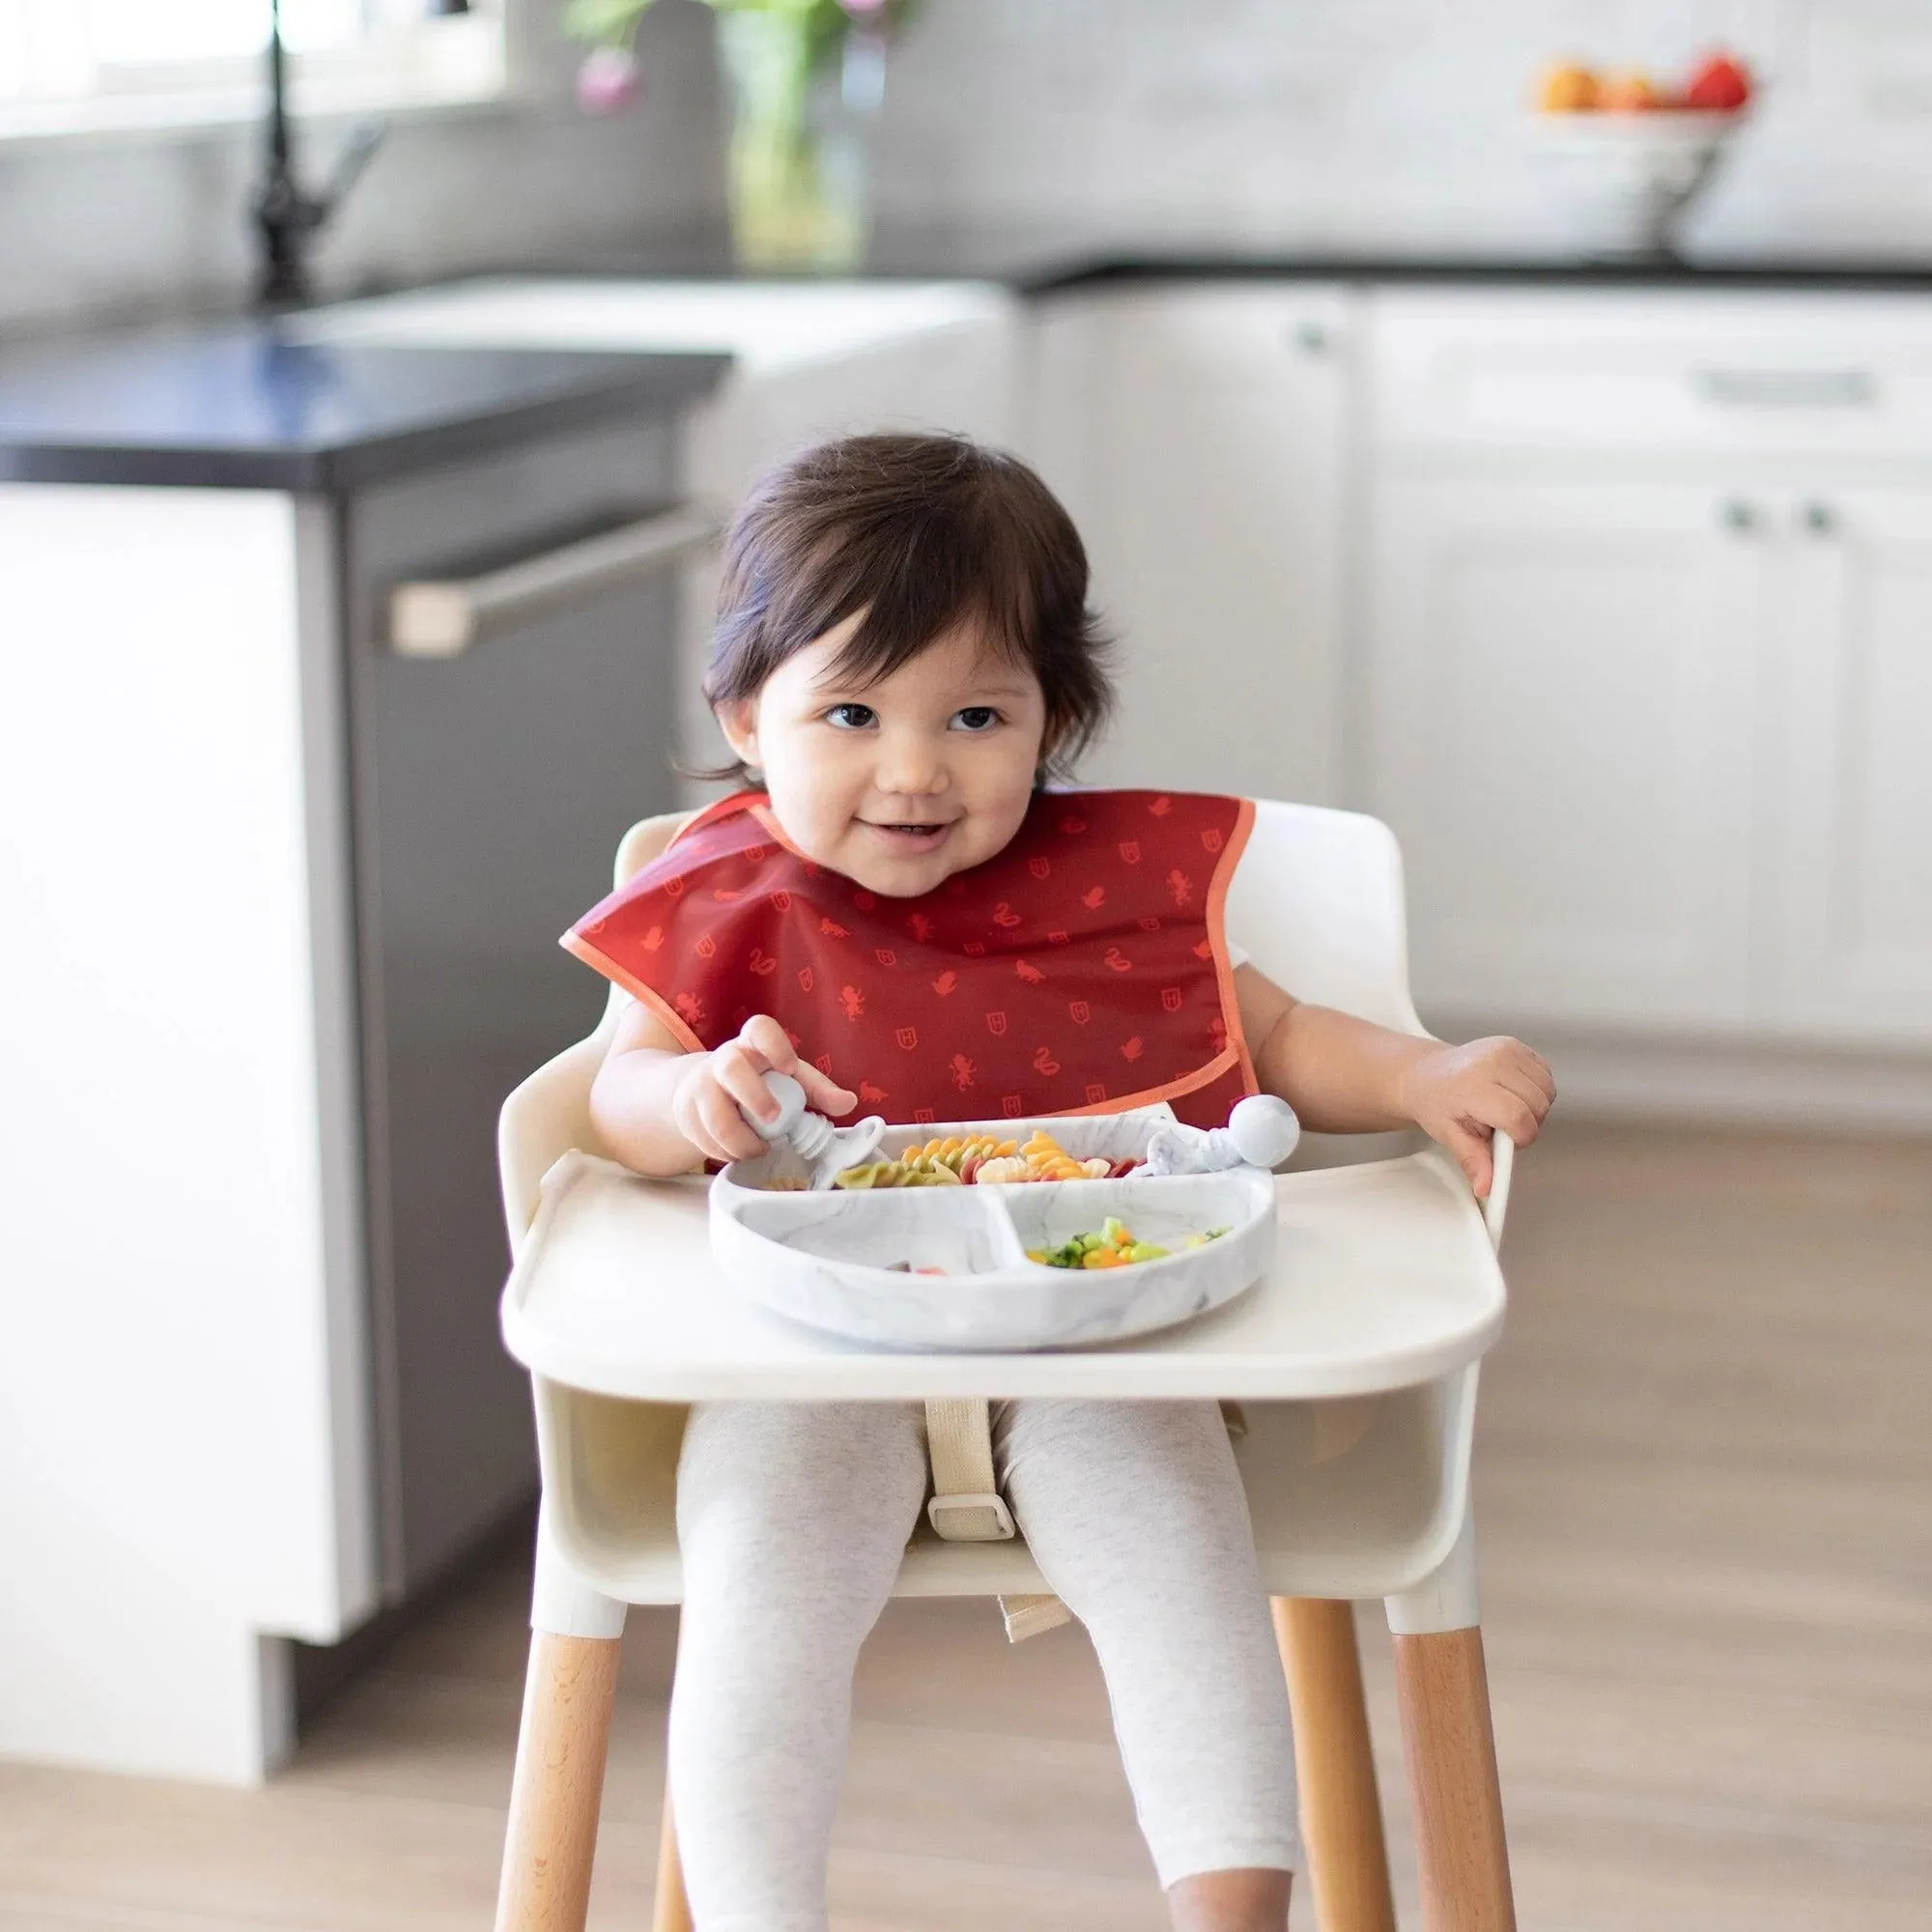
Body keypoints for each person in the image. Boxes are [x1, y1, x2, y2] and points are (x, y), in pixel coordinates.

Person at [565, 433, 1555, 1932]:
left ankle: (1232, 1911)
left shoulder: (1100, 888)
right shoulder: (722, 893)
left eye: (976, 714)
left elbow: (1273, 1036)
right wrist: (689, 1097)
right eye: (851, 711)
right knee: (761, 1579)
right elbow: (612, 1094)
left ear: (1055, 718)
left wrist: (1419, 1077)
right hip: (806, 1357)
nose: (914, 769)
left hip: (1097, 1333)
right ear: (745, 716)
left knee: (1182, 1558)